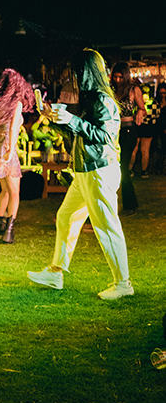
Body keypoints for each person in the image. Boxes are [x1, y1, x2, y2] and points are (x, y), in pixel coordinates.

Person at [27, 49, 134, 301]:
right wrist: (54, 119)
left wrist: (71, 120)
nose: (74, 77)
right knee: (66, 217)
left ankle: (123, 283)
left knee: (106, 227)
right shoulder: (93, 98)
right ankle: (56, 272)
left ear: (89, 72)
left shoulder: (102, 100)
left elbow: (105, 136)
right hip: (87, 170)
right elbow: (80, 135)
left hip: (98, 171)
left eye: (77, 71)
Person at [0, 68, 35, 243]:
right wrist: (10, 150)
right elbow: (13, 128)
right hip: (7, 146)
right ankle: (8, 231)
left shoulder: (0, 103)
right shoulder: (16, 104)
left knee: (5, 189)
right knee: (15, 192)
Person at [110, 61, 145, 214]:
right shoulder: (110, 89)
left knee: (123, 166)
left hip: (128, 130)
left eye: (120, 77)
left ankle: (130, 204)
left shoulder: (133, 90)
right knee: (112, 166)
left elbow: (142, 108)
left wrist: (140, 112)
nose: (118, 80)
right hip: (112, 130)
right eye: (115, 77)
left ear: (126, 76)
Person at [129, 85, 160, 178]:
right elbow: (156, 116)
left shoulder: (136, 102)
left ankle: (130, 170)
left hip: (137, 125)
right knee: (145, 150)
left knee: (133, 149)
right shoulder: (154, 103)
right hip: (148, 127)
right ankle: (144, 171)